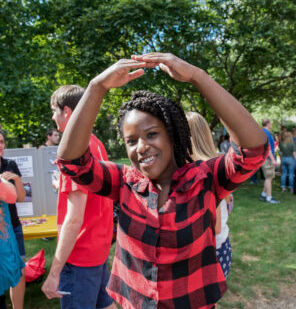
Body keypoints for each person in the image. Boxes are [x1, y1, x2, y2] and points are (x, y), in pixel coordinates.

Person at [55, 53, 268, 309]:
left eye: (152, 134)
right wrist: (97, 86)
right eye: (131, 141)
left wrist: (198, 77)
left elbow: (253, 150)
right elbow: (72, 163)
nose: (141, 147)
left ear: (173, 135)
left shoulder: (205, 179)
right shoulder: (123, 182)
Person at [41, 86, 116, 309]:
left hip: (80, 254)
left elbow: (74, 219)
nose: (53, 117)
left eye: (54, 111)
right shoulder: (96, 143)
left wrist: (54, 272)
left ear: (67, 112)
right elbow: (92, 194)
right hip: (99, 248)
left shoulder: (73, 149)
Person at [186, 112, 232, 281]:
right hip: (216, 249)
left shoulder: (206, 172)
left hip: (211, 253)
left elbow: (216, 226)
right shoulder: (211, 165)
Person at [0, 129, 26, 309]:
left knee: (20, 271)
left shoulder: (9, 164)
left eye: (1, 142)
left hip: (13, 227)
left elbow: (21, 197)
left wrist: (16, 179)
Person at [259, 119, 280, 204]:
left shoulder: (262, 132)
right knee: (269, 178)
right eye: (270, 123)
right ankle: (269, 198)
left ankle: (263, 194)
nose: (271, 124)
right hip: (267, 159)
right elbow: (268, 148)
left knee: (269, 177)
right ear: (268, 123)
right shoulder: (266, 133)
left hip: (265, 158)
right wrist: (273, 159)